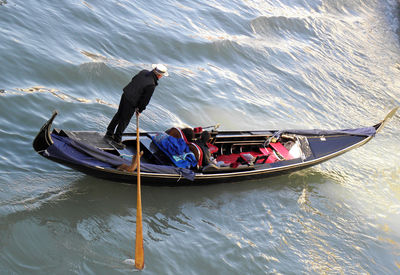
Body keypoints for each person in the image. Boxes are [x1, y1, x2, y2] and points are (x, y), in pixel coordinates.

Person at [105, 64, 168, 149]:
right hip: (131, 101)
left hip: (126, 94)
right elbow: (145, 100)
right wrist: (140, 110)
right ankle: (117, 140)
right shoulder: (151, 85)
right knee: (125, 120)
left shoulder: (143, 72)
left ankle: (109, 133)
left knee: (119, 114)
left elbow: (133, 80)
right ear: (159, 75)